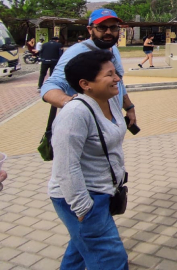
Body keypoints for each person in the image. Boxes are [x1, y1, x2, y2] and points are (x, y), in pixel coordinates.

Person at [49, 50, 128, 269]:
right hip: (81, 197)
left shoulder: (110, 101)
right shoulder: (74, 113)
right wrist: (84, 209)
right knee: (111, 259)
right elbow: (65, 167)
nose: (117, 79)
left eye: (116, 73)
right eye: (109, 75)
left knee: (79, 252)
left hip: (102, 192)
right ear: (85, 84)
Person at [41, 8, 137, 131]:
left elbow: (119, 82)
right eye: (102, 27)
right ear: (90, 29)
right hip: (87, 127)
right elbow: (50, 85)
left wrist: (129, 108)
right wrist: (72, 104)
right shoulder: (77, 52)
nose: (108, 32)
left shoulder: (112, 48)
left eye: (113, 28)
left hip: (112, 124)